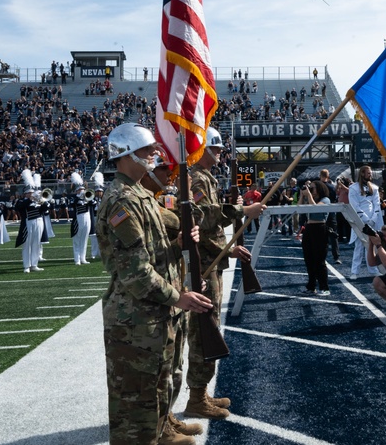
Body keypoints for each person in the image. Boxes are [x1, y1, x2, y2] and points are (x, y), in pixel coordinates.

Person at [96, 123, 211, 445]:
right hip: (136, 318)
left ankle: (164, 433)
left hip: (154, 313)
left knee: (158, 388)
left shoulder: (140, 194)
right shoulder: (123, 200)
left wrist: (182, 242)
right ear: (128, 155)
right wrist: (179, 298)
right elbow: (135, 271)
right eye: (148, 151)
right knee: (135, 405)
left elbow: (156, 253)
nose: (155, 155)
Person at [186, 126, 264, 420]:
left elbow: (209, 221)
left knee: (210, 324)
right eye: (216, 148)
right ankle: (196, 397)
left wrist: (228, 245)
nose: (220, 153)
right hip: (204, 264)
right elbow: (203, 220)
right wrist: (241, 212)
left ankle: (200, 391)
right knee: (204, 328)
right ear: (204, 149)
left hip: (211, 261)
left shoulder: (205, 178)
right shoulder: (198, 178)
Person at [347, 165, 383, 279]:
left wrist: (373, 218)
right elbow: (354, 205)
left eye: (371, 173)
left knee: (373, 246)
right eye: (368, 173)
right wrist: (365, 219)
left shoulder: (375, 188)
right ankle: (354, 271)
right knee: (359, 246)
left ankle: (373, 269)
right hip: (360, 220)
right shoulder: (353, 188)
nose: (370, 175)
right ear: (362, 174)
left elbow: (377, 204)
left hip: (373, 220)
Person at [298, 180, 332, 294]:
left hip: (320, 228)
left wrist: (309, 196)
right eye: (310, 188)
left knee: (319, 259)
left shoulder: (325, 200)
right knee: (309, 259)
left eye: (313, 188)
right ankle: (311, 286)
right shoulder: (310, 199)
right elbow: (299, 208)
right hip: (309, 229)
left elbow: (315, 209)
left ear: (319, 189)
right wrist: (303, 196)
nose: (311, 190)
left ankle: (324, 287)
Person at [15, 169, 49, 273]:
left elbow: (46, 208)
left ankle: (34, 264)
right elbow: (18, 207)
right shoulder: (22, 201)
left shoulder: (38, 200)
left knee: (36, 244)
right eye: (29, 193)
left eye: (32, 192)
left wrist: (43, 202)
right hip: (28, 223)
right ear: (25, 193)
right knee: (27, 244)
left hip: (39, 222)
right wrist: (29, 200)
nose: (31, 194)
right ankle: (26, 266)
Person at [67, 172, 94, 265]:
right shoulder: (75, 198)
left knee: (84, 238)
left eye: (83, 189)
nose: (82, 191)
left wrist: (87, 199)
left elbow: (93, 204)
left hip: (87, 218)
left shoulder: (87, 198)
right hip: (78, 219)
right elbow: (72, 204)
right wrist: (79, 198)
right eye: (81, 190)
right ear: (77, 191)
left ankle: (83, 258)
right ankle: (77, 259)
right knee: (77, 239)